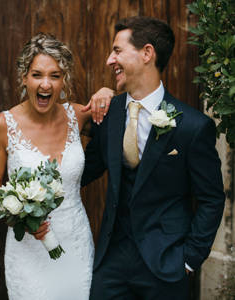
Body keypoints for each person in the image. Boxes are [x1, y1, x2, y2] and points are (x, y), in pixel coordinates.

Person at [81, 16, 225, 300]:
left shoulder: (193, 127)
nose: (110, 60)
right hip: (111, 263)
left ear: (147, 53)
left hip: (166, 265)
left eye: (117, 51)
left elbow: (211, 198)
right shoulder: (108, 113)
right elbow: (85, 171)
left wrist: (188, 260)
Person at [0, 33, 112, 300]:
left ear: (64, 80)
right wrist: (19, 215)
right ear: (24, 78)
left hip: (75, 241)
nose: (46, 84)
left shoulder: (78, 115)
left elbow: (117, 119)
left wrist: (107, 93)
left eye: (55, 76)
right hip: (28, 248)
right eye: (37, 75)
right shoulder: (2, 125)